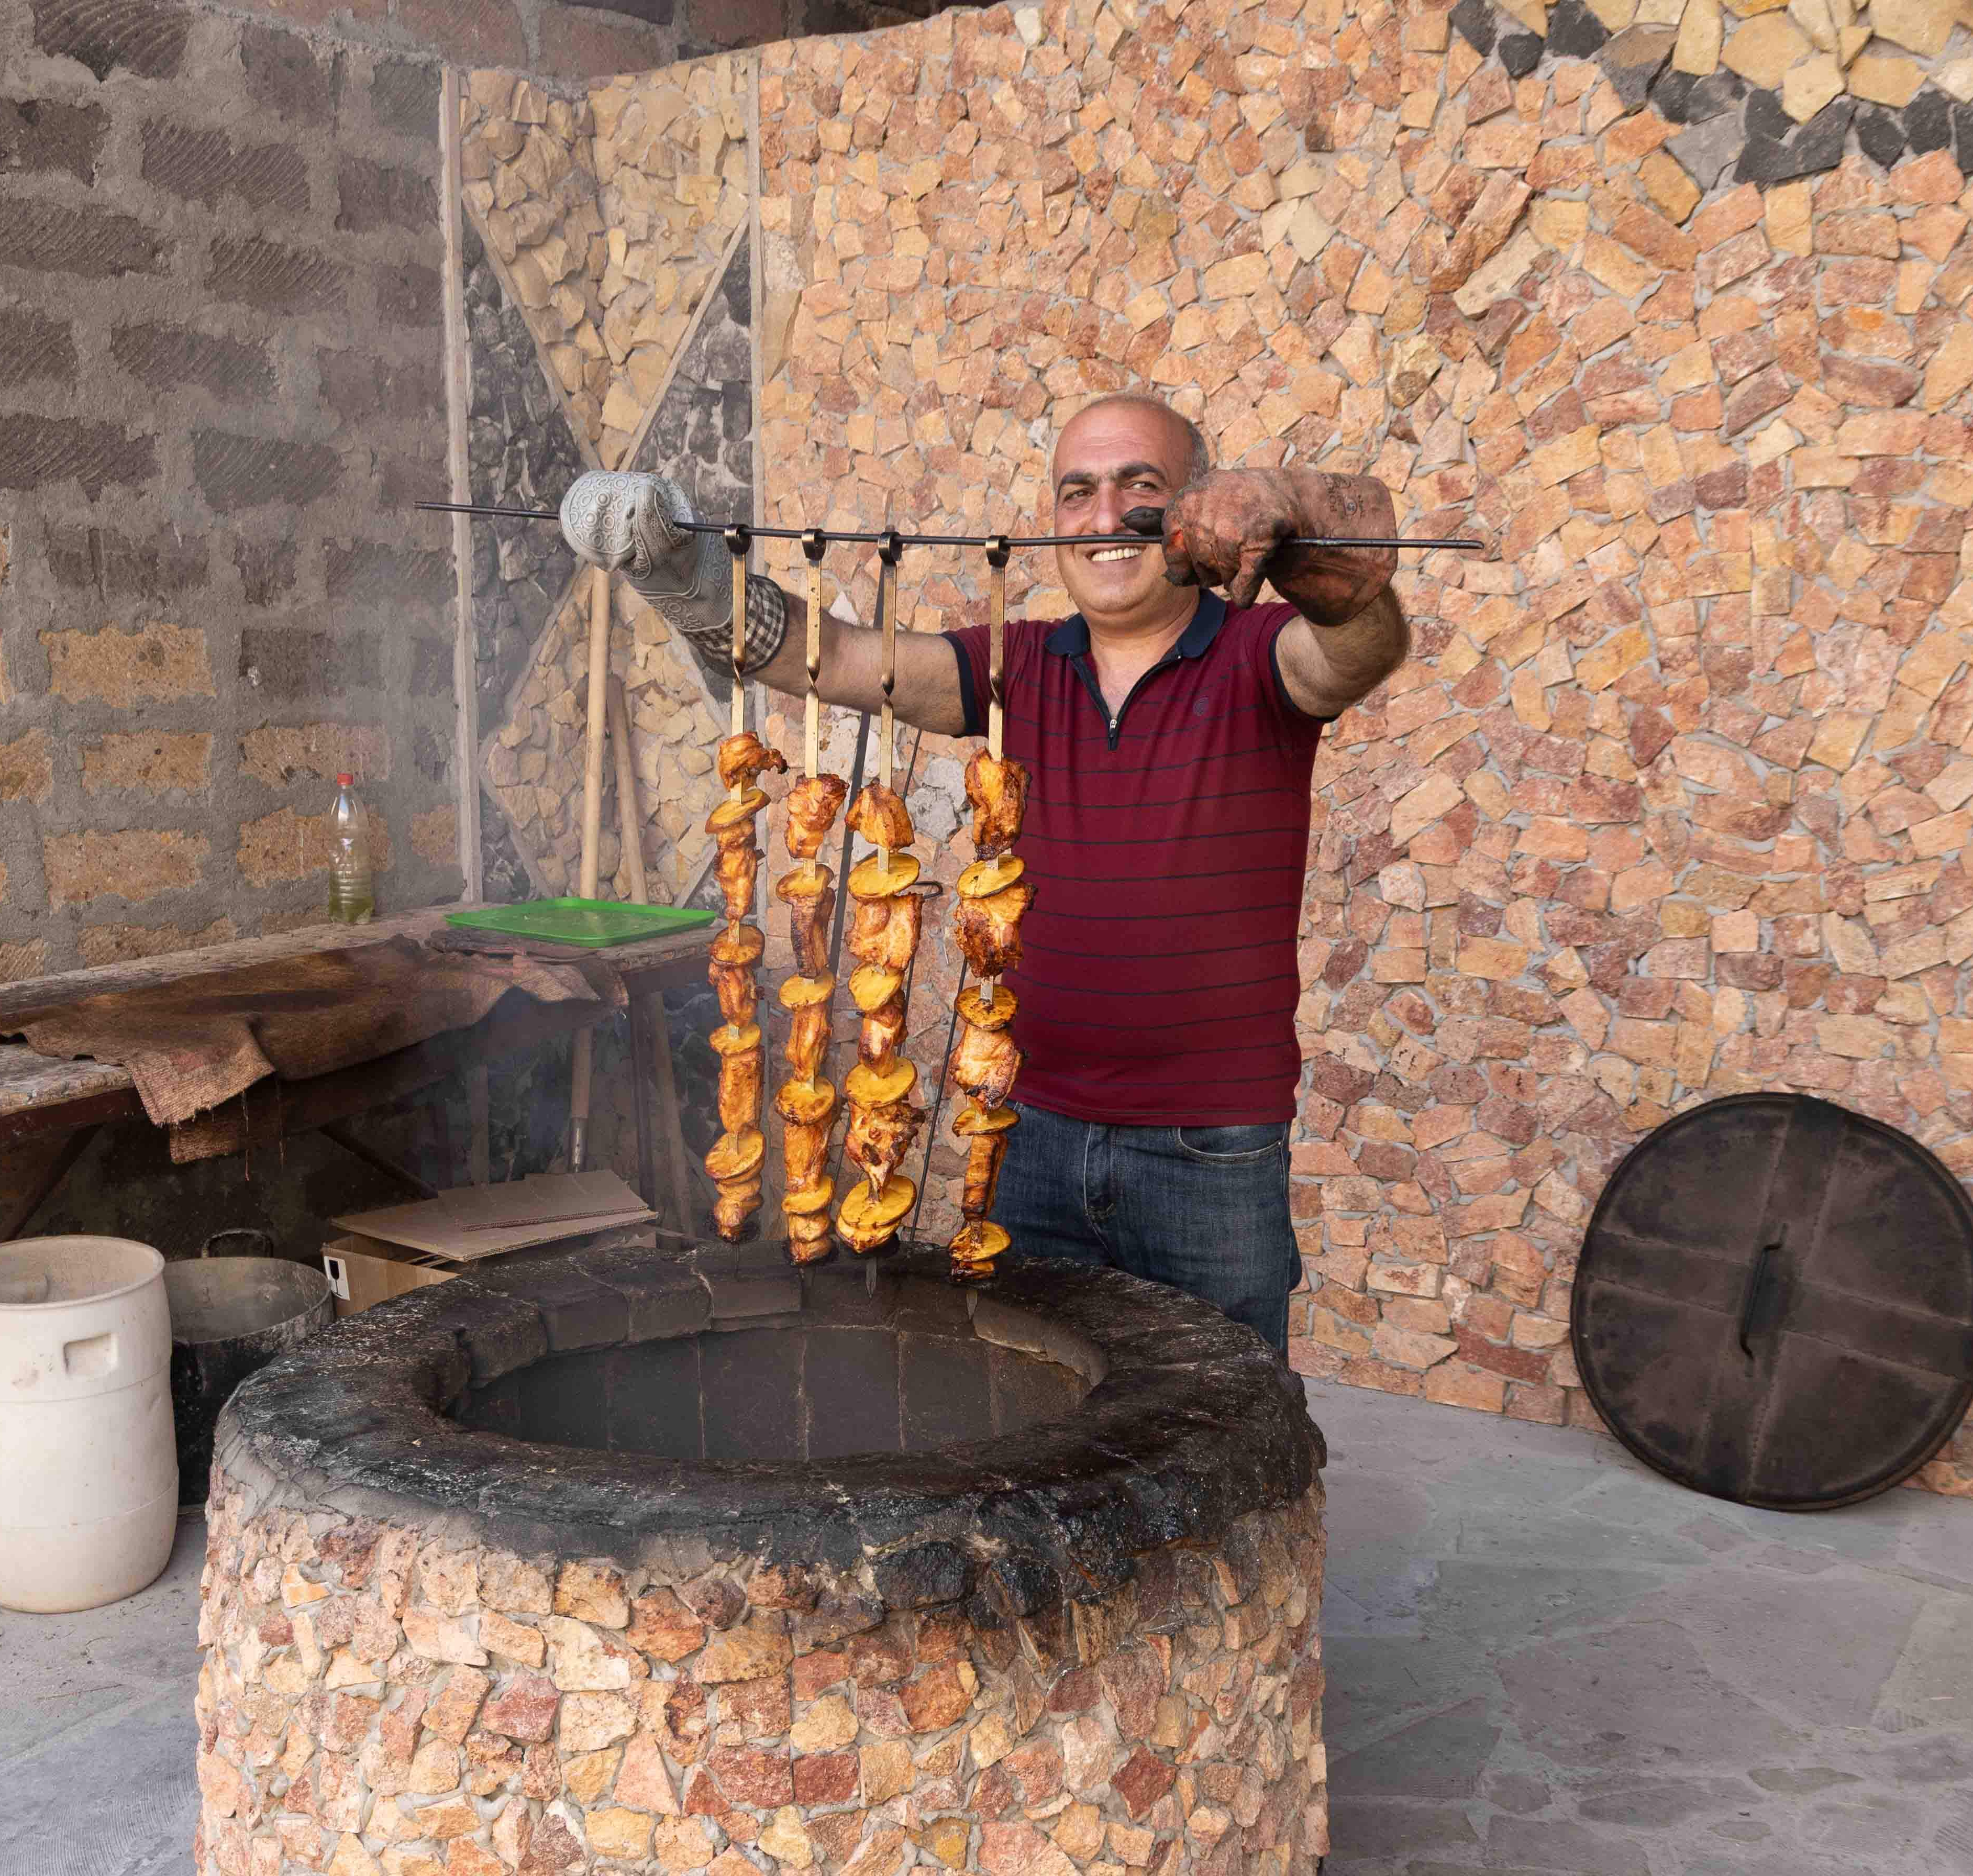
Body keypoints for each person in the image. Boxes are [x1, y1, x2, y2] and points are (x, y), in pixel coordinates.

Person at [560, 395, 1413, 1350]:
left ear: (1197, 508)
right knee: (1041, 1403)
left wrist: (1294, 510)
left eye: (1140, 486)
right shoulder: (1017, 666)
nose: (1105, 515)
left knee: (1225, 1412)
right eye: (1078, 492)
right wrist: (684, 578)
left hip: (1209, 1152)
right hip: (1023, 1129)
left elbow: (1366, 644)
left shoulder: (1263, 653)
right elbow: (837, 658)